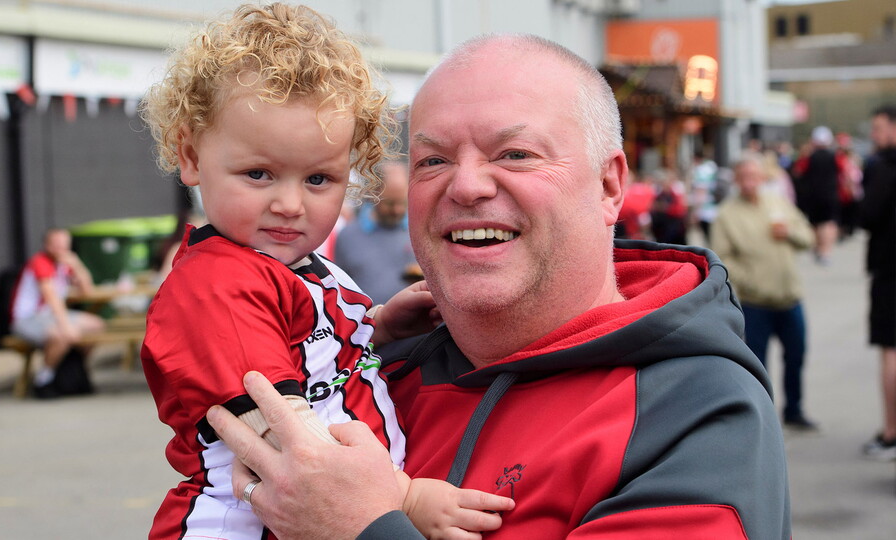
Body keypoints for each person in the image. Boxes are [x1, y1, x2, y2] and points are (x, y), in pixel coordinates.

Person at [208, 34, 792, 538]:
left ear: (609, 185)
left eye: (515, 154)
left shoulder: (692, 408)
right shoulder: (371, 377)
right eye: (432, 161)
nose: (466, 186)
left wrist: (363, 529)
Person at [138, 4, 511, 540]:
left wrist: (379, 327)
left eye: (318, 179)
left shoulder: (295, 266)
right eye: (259, 173)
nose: (290, 204)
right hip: (245, 524)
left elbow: (311, 358)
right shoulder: (218, 285)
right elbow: (281, 435)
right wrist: (404, 498)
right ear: (191, 157)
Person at [711, 152, 818, 431]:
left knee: (796, 356)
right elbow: (723, 260)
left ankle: (794, 409)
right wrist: (752, 281)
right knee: (757, 365)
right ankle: (763, 417)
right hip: (755, 303)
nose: (749, 183)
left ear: (762, 178)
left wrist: (790, 234)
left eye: (754, 177)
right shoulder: (727, 215)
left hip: (789, 297)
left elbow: (807, 237)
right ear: (736, 180)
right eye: (743, 178)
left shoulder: (777, 203)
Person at [9, 228, 105, 398]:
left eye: (64, 245)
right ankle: (44, 378)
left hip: (51, 316)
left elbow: (87, 291)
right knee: (62, 335)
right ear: (47, 245)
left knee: (96, 325)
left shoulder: (64, 264)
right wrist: (66, 326)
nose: (61, 249)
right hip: (29, 318)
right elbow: (52, 298)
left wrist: (77, 265)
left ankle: (75, 371)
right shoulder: (40, 262)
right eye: (57, 245)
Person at [858, 104, 896, 461]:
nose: (875, 136)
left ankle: (891, 433)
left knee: (891, 351)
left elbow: (867, 215)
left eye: (880, 128)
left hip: (890, 271)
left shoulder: (884, 167)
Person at [334, 160, 418, 305]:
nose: (397, 209)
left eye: (403, 203)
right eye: (390, 203)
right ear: (374, 194)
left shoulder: (419, 231)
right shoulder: (347, 237)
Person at [793, 125, 840, 265]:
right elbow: (848, 173)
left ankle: (818, 248)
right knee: (828, 223)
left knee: (815, 223)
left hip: (813, 195)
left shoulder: (809, 157)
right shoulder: (835, 157)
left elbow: (797, 172)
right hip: (830, 194)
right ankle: (825, 251)